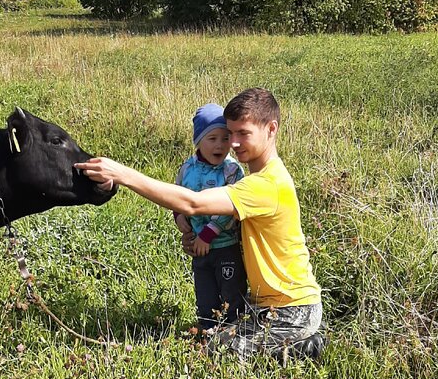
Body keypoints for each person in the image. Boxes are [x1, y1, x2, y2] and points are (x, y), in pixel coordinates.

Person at [76, 88, 324, 363]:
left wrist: (123, 174)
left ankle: (305, 345)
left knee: (220, 354)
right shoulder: (257, 179)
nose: (234, 144)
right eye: (231, 134)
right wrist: (193, 233)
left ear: (271, 129)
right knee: (212, 339)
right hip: (263, 305)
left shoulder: (266, 185)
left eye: (244, 133)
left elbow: (193, 203)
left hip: (292, 308)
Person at [174, 103, 246, 330]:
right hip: (199, 249)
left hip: (226, 246)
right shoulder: (187, 169)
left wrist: (207, 234)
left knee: (231, 294)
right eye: (212, 138)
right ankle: (206, 336)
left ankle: (235, 333)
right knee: (205, 295)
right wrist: (179, 217)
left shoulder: (232, 170)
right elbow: (177, 195)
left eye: (225, 138)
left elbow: (233, 206)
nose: (220, 145)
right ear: (198, 141)